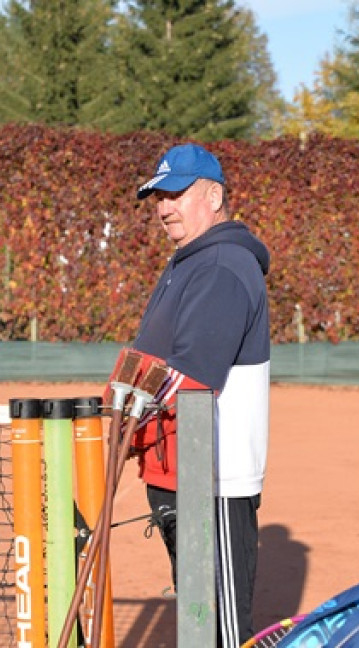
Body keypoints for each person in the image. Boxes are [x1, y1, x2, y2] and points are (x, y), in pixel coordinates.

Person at [128, 143, 270, 645]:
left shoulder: (221, 266)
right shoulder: (188, 262)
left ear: (212, 196)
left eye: (176, 193)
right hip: (178, 472)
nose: (164, 207)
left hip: (214, 480)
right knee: (196, 618)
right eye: (158, 197)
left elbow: (191, 378)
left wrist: (125, 423)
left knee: (225, 631)